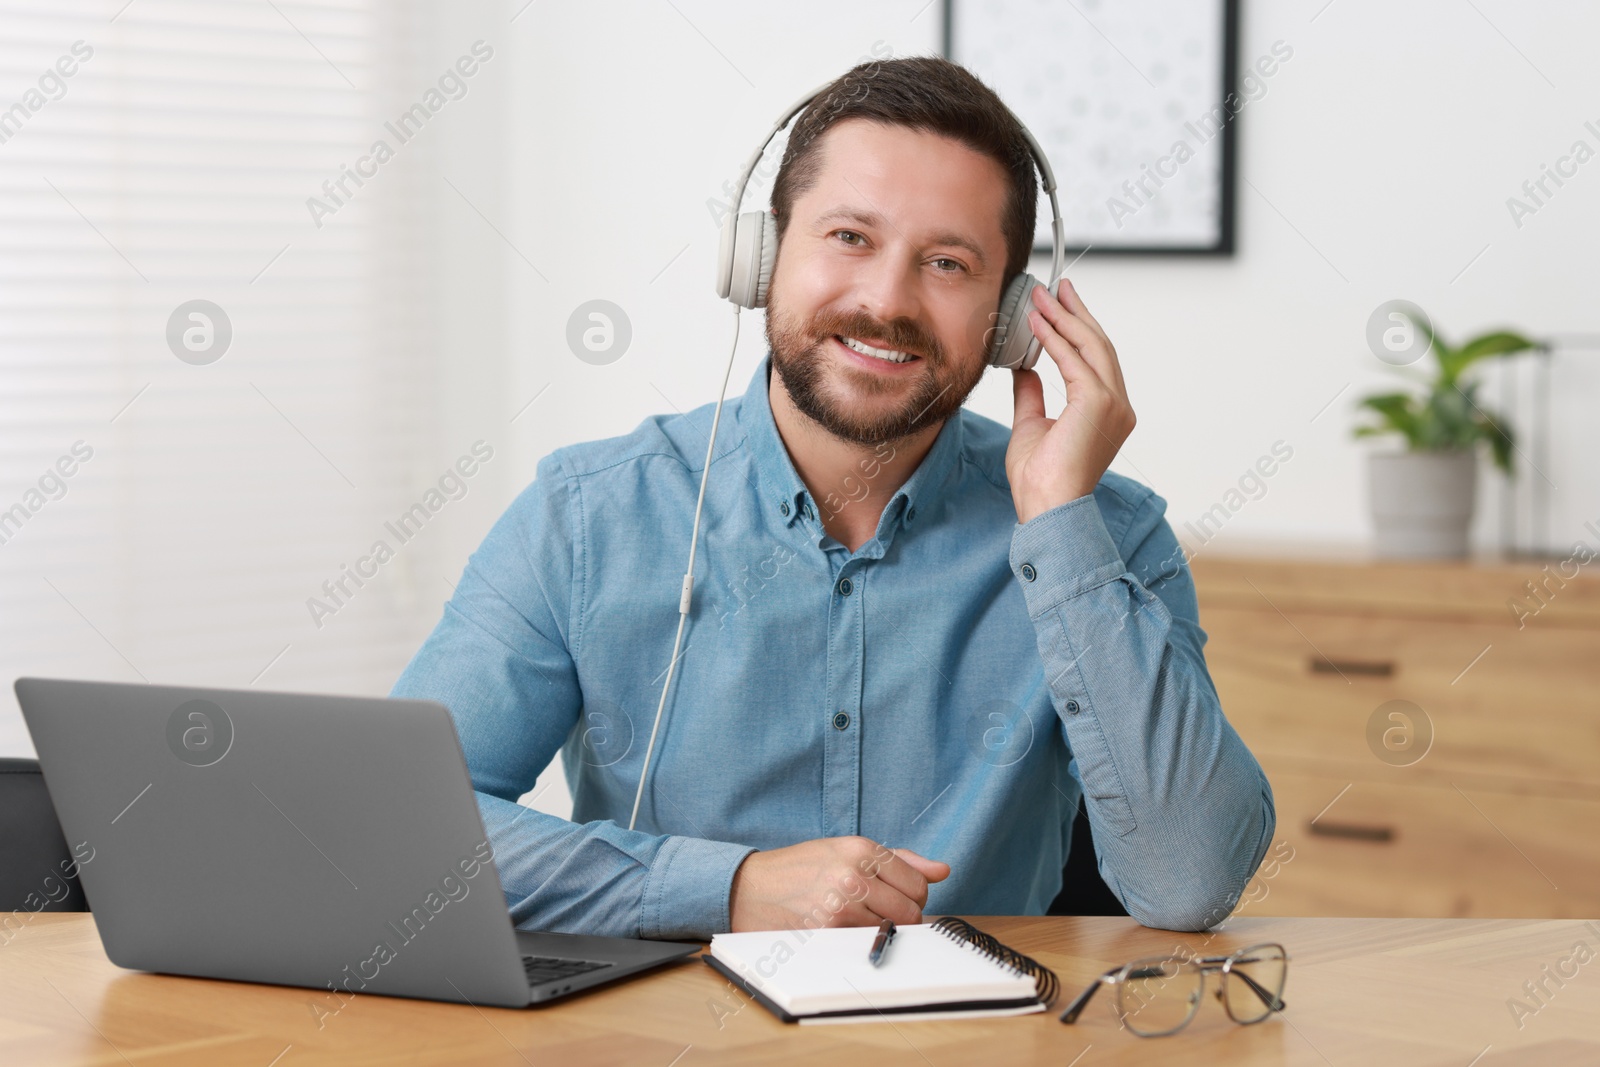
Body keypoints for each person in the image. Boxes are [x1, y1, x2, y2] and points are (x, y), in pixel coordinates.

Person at [392, 56, 1275, 940]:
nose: (886, 301)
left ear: (1010, 321)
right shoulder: (588, 518)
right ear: (762, 257)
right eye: (849, 237)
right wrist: (723, 887)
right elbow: (398, 831)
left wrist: (1061, 528)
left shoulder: (1103, 534)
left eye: (947, 262)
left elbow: (1190, 881)